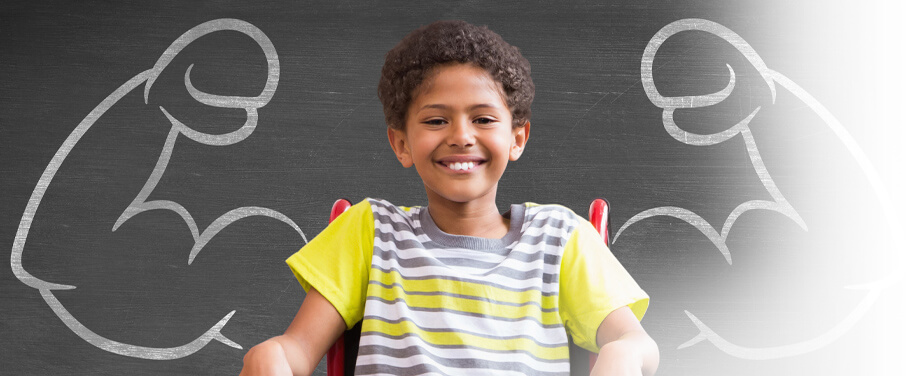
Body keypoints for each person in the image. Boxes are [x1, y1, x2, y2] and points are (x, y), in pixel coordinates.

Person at [240, 20, 658, 376]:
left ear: (517, 137)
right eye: (437, 120)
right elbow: (296, 349)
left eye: (483, 119)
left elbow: (635, 341)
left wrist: (622, 352)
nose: (460, 136)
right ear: (401, 143)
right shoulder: (369, 231)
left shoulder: (559, 237)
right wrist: (270, 355)